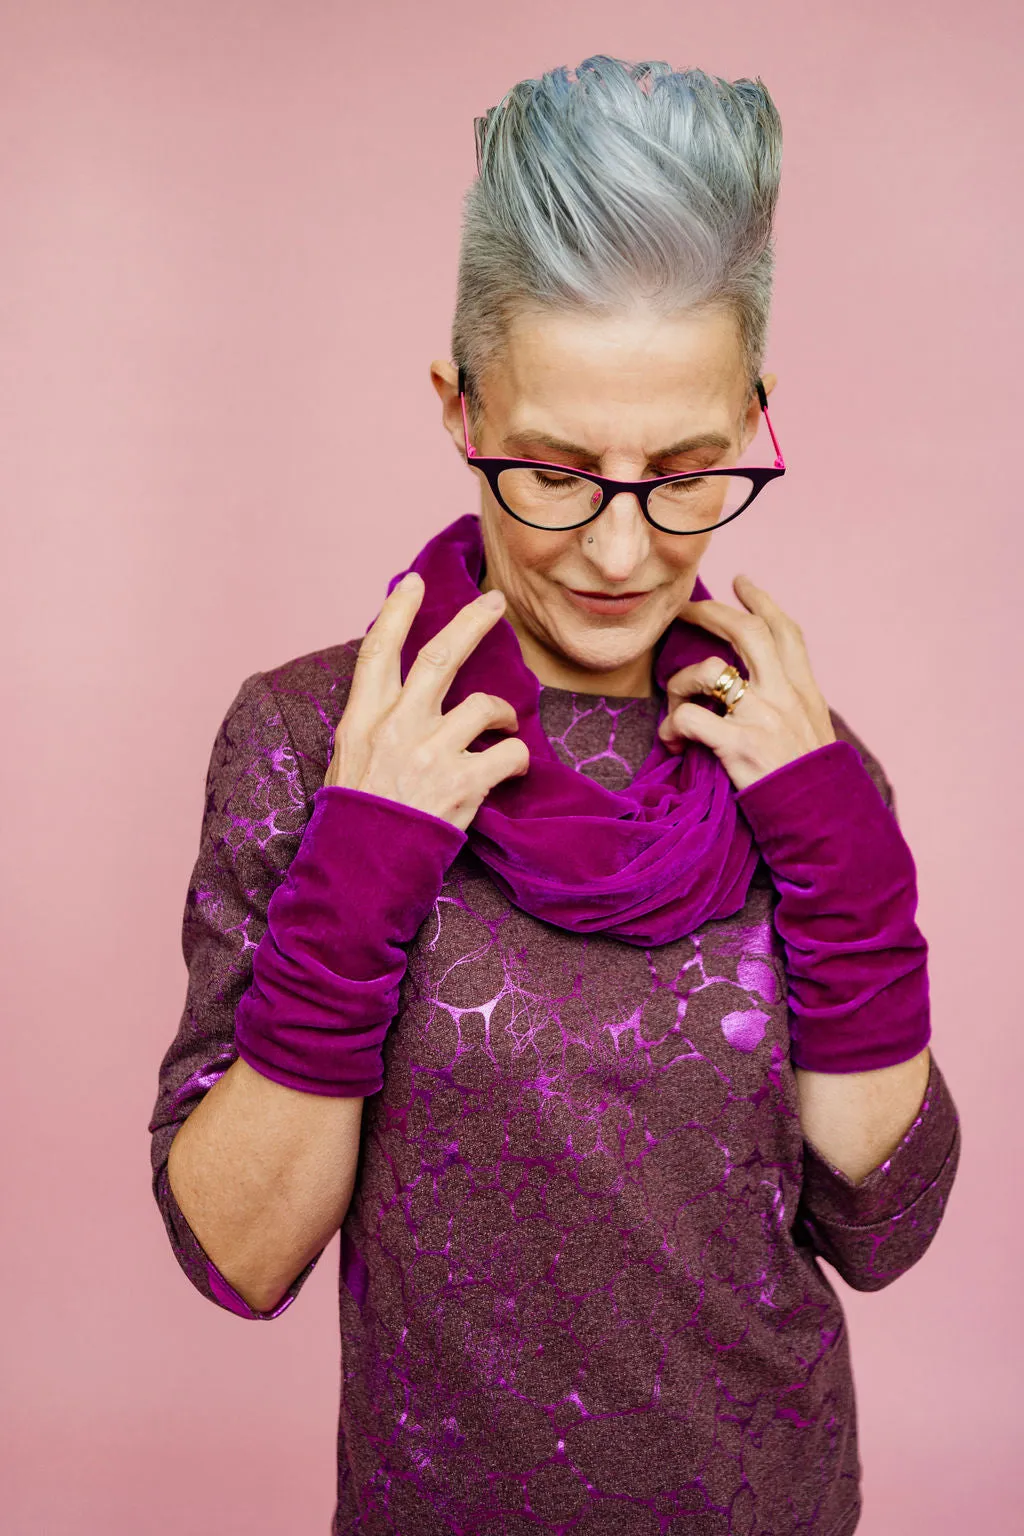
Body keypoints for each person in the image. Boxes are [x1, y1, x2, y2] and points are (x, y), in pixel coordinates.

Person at [149, 56, 961, 1535]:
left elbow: (883, 1223)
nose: (616, 544)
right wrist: (365, 864)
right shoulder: (317, 735)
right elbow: (235, 1250)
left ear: (755, 419)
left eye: (687, 470)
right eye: (555, 469)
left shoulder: (791, 752)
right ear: (459, 408)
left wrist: (845, 847)